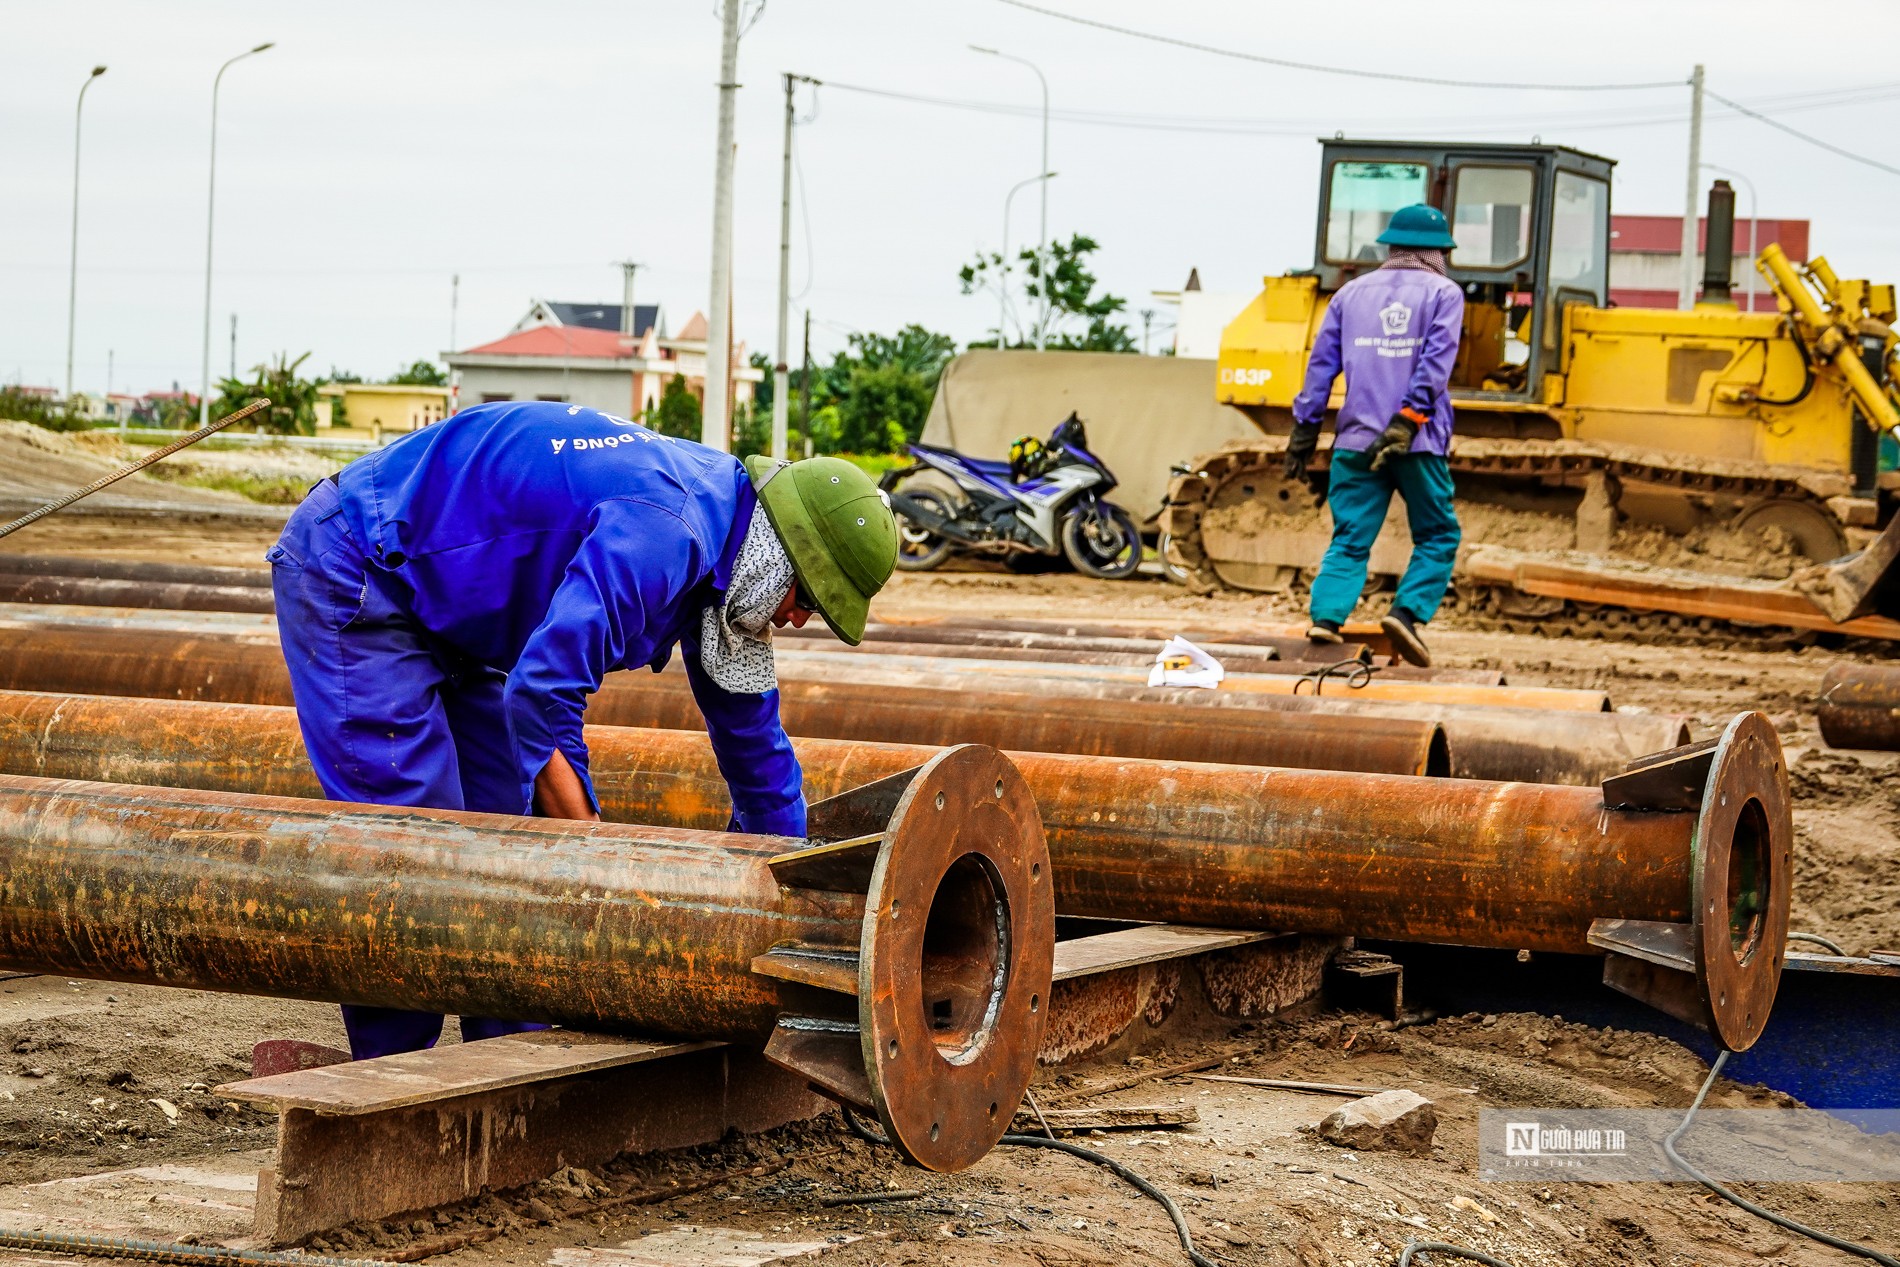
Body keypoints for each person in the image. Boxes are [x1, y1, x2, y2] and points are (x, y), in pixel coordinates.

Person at [267, 399, 898, 1059]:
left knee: (508, 847)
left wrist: (800, 904)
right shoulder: (670, 532)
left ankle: (508, 1058)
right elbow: (542, 689)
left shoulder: (731, 567)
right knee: (410, 852)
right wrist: (592, 844)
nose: (799, 620)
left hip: (462, 614)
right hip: (363, 563)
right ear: (780, 556)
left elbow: (756, 751)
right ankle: (392, 1074)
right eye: (808, 599)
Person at [1283, 203, 1465, 668]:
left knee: (1349, 536)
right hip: (1416, 440)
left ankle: (1326, 617)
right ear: (1439, 251)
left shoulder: (1350, 295)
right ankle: (1405, 613)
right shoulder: (1444, 293)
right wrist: (1407, 418)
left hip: (1355, 439)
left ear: (1392, 245)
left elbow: (1320, 368)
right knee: (1438, 534)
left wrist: (1304, 431)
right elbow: (1437, 363)